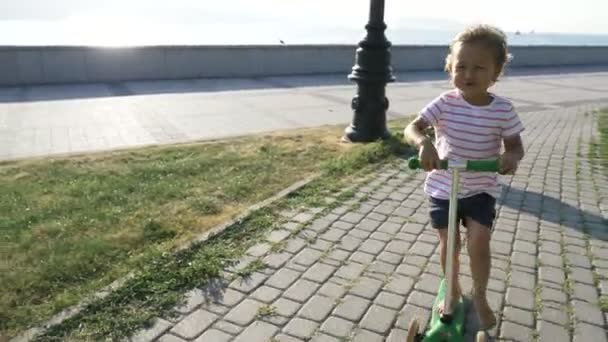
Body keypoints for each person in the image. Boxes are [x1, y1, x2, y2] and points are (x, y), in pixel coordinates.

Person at [403, 24, 525, 329]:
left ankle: (480, 295)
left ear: (496, 73)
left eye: (479, 67)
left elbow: (515, 146)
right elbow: (412, 128)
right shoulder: (445, 102)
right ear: (450, 68)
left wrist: (510, 157)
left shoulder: (503, 110)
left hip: (480, 186)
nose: (468, 74)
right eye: (460, 67)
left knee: (479, 242)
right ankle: (453, 288)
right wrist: (424, 143)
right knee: (450, 243)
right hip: (444, 186)